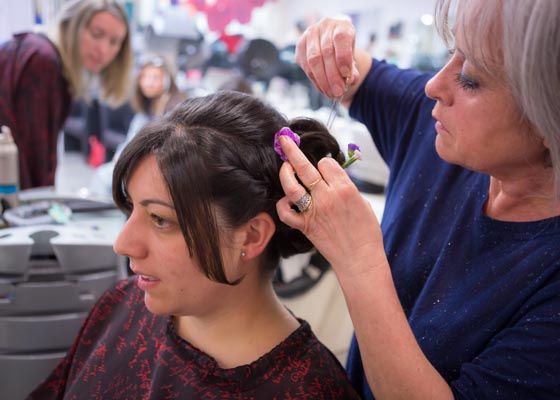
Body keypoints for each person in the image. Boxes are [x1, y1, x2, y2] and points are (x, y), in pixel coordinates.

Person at [277, 0, 560, 399]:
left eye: (469, 78)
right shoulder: (439, 124)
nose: (434, 86)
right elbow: (356, 72)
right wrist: (330, 41)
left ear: (559, 117)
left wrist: (358, 260)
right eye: (452, 55)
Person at [27, 91, 360, 399]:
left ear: (252, 235)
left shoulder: (309, 389)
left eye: (161, 219)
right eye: (132, 209)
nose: (123, 244)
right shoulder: (122, 306)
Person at [0, 0, 132, 189]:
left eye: (114, 42)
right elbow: (35, 155)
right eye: (96, 34)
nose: (103, 49)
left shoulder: (38, 51)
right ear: (72, 25)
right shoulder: (43, 61)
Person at [88, 54, 186, 197]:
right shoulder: (146, 109)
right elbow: (131, 138)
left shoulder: (173, 110)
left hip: (157, 168)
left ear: (167, 80)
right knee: (103, 175)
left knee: (105, 179)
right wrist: (120, 156)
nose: (148, 83)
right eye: (144, 77)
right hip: (137, 161)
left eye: (155, 77)